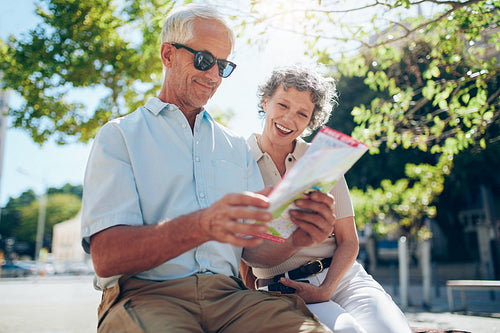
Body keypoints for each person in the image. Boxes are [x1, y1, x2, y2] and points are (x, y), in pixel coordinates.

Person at [81, 4, 337, 333]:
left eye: (224, 66)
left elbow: (253, 251)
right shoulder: (119, 136)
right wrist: (202, 224)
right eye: (204, 60)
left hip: (231, 300)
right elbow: (107, 257)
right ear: (168, 55)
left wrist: (296, 239)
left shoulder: (235, 147)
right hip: (145, 295)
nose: (214, 76)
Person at [240, 65, 412, 333]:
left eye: (302, 114)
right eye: (282, 105)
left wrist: (326, 289)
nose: (289, 118)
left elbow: (349, 241)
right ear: (265, 102)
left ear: (311, 122)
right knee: (347, 331)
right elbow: (240, 254)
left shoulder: (324, 160)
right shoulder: (237, 160)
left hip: (344, 278)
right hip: (284, 288)